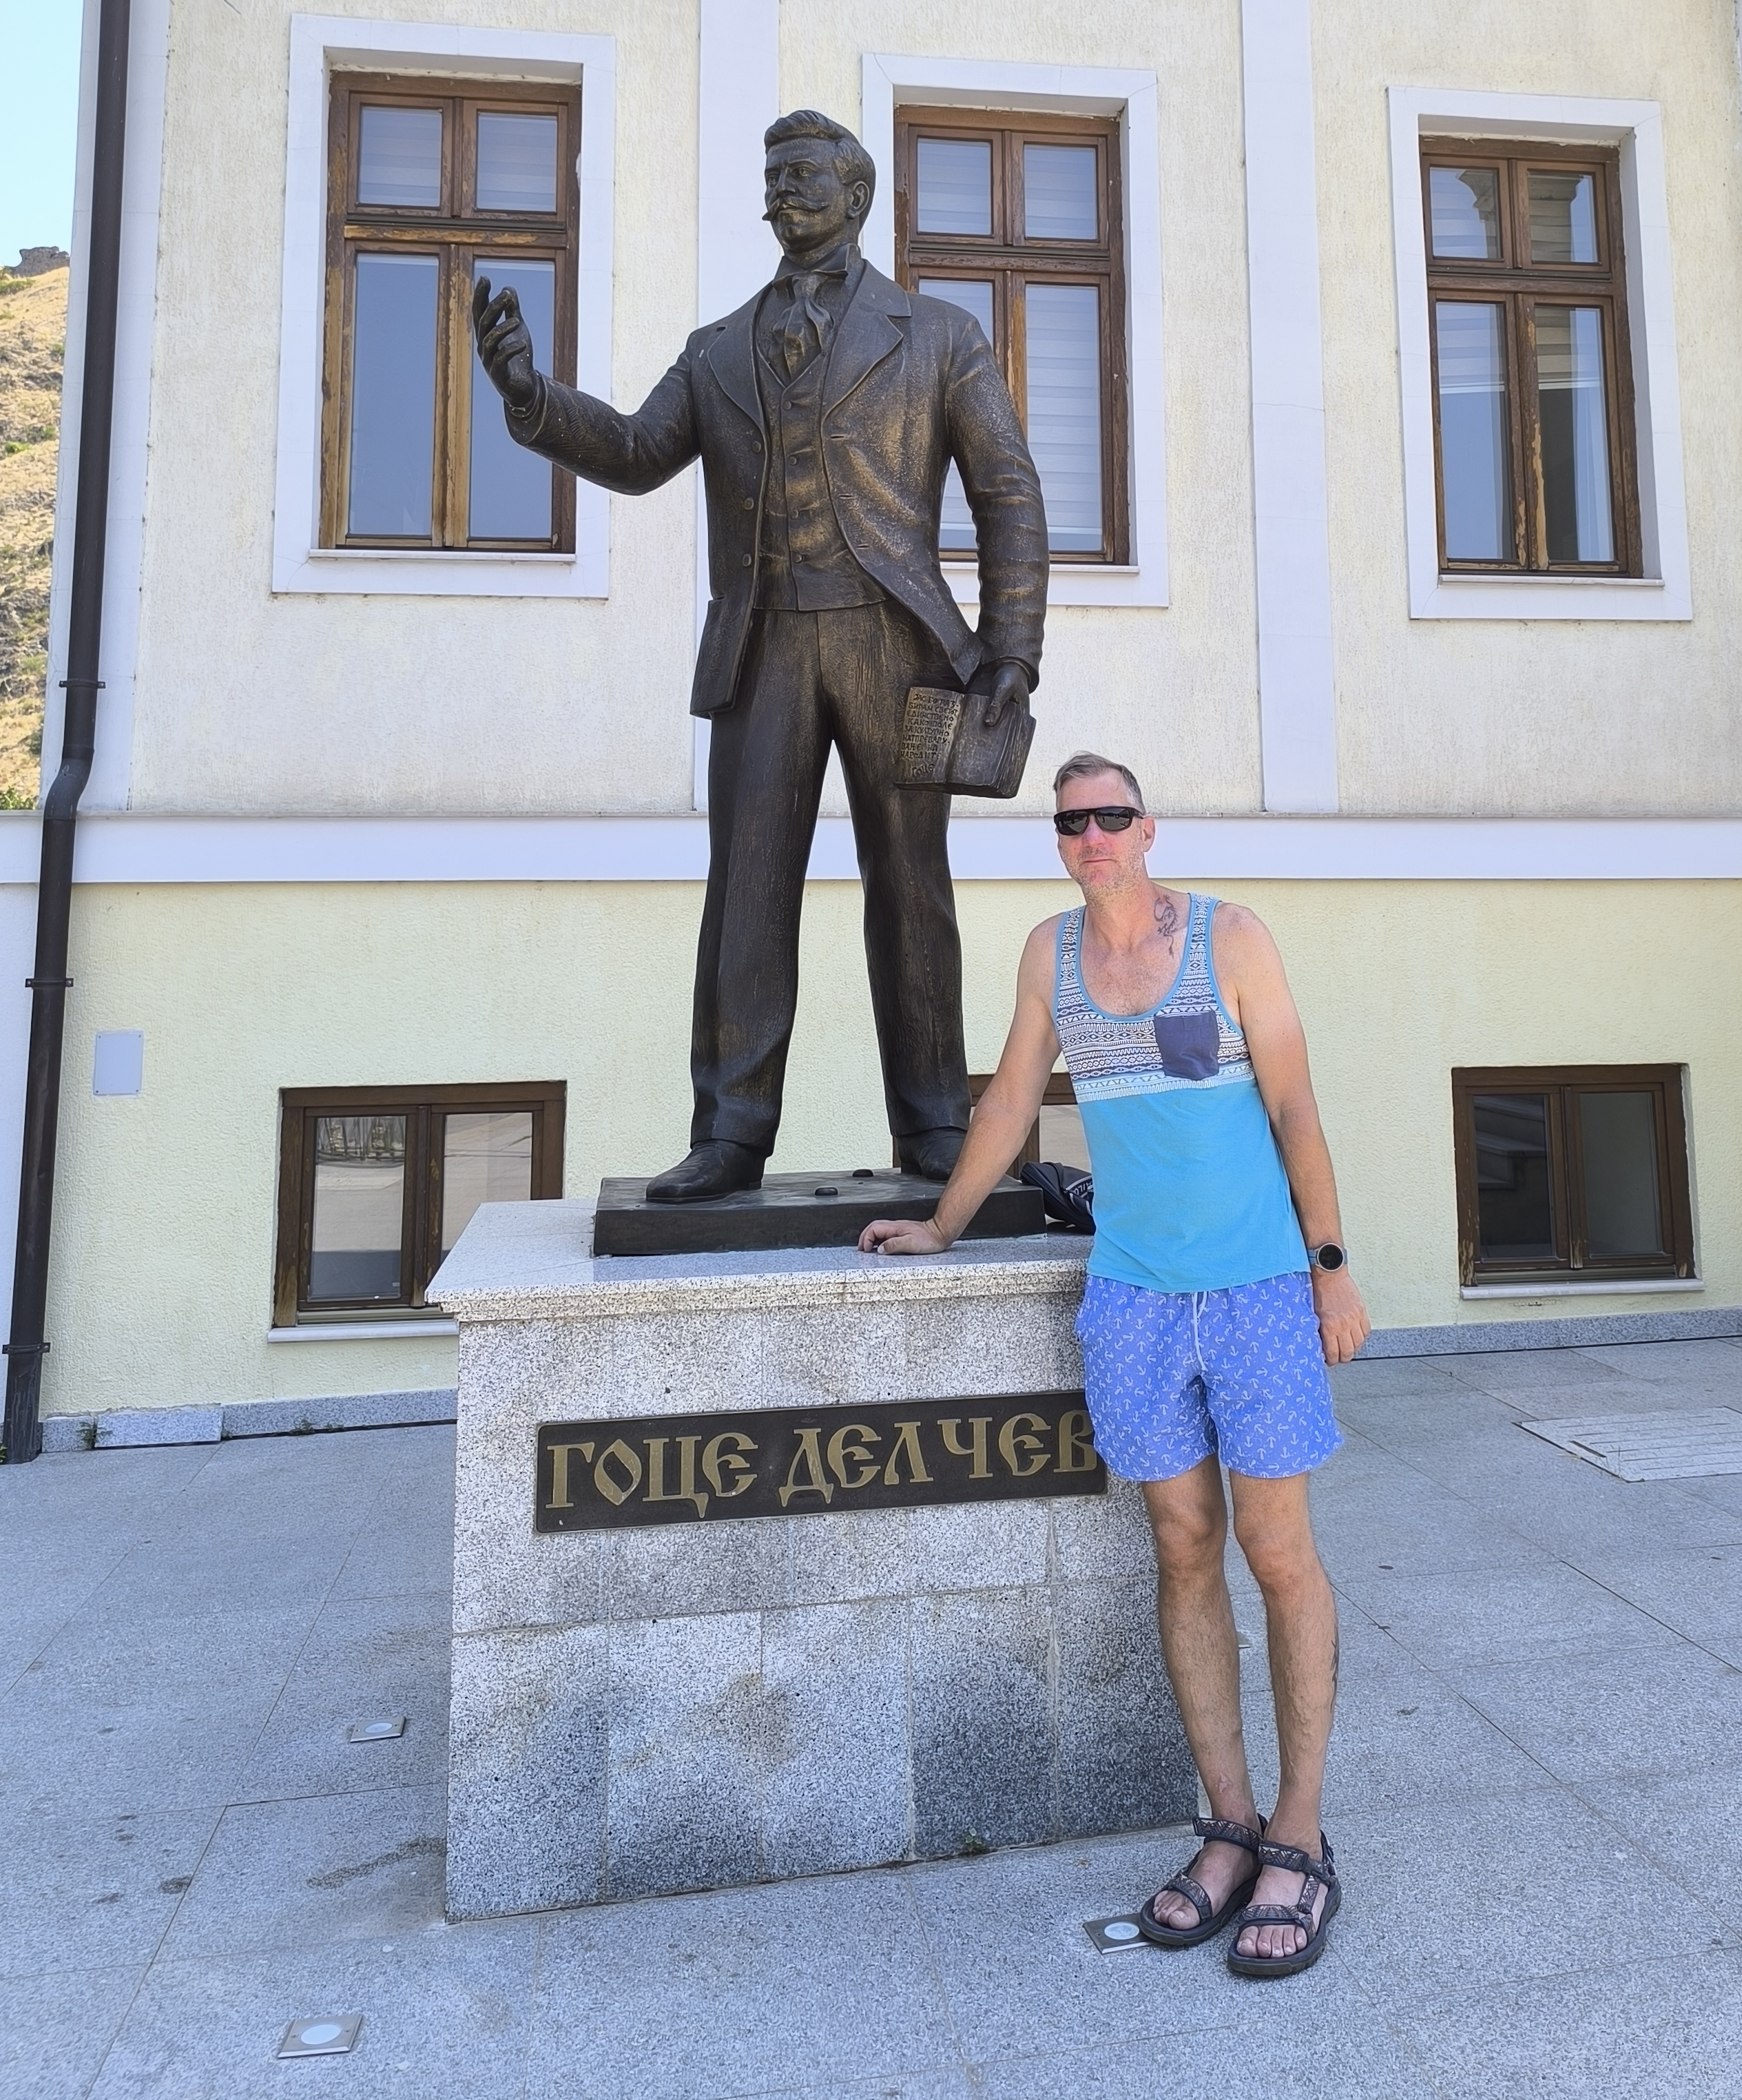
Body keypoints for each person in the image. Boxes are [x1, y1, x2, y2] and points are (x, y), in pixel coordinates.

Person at [860, 750, 1371, 1977]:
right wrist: (941, 1225)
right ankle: (1230, 1829)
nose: (1092, 836)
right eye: (1072, 822)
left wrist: (1331, 1265)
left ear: (1149, 829)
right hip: (1135, 1299)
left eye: (1111, 817)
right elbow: (1008, 1101)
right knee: (1184, 1548)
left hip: (1256, 1291)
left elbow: (1295, 1109)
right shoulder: (1051, 955)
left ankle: (1301, 1837)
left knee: (1278, 1552)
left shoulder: (1232, 939)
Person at [474, 110, 1046, 1197]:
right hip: (762, 642)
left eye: (804, 175)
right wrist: (531, 399)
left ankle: (934, 1122)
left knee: (911, 885)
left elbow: (1009, 494)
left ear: (856, 196)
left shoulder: (939, 335)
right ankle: (731, 1129)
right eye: (773, 175)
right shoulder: (718, 349)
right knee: (746, 888)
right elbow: (637, 450)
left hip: (897, 643)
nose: (783, 191)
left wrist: (1011, 650)